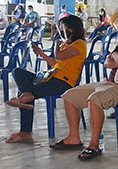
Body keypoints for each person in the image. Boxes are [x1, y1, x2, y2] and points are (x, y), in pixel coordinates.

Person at [53, 12, 118, 160]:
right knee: (69, 95)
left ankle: (94, 144)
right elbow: (107, 63)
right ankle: (73, 137)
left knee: (95, 99)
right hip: (109, 83)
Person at [5, 15, 87, 144]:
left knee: (27, 92)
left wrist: (56, 45)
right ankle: (26, 94)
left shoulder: (80, 45)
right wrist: (41, 53)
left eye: (62, 28)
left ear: (70, 29)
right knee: (18, 72)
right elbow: (56, 64)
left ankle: (25, 131)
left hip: (63, 82)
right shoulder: (67, 44)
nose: (60, 30)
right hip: (51, 77)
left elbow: (59, 55)